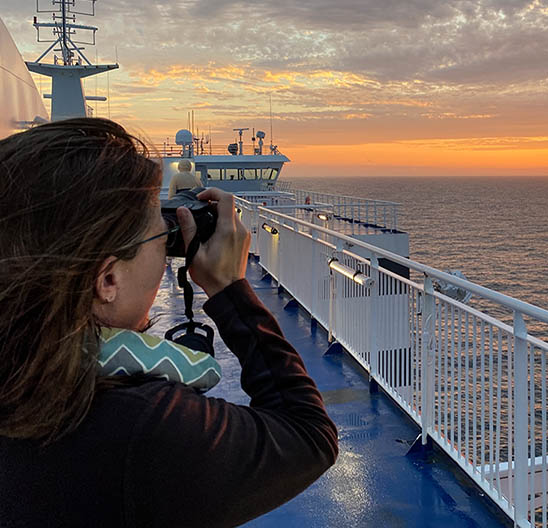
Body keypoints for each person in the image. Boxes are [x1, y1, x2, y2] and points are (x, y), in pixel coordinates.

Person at [0, 118, 338, 527]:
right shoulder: (142, 428)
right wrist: (230, 287)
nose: (167, 248)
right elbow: (309, 437)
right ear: (108, 279)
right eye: (160, 232)